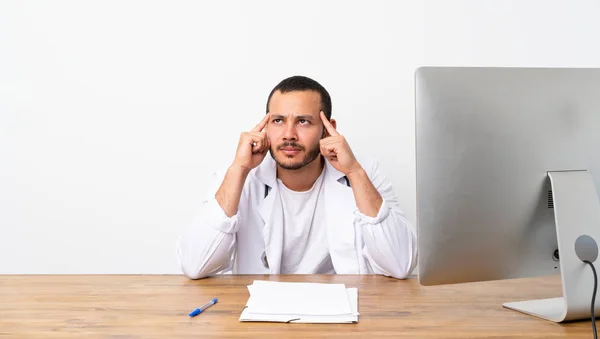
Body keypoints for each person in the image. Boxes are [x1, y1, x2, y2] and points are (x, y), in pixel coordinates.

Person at [177, 75, 417, 279]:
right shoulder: (238, 176)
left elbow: (400, 265)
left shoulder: (362, 173)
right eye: (278, 121)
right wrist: (239, 170)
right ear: (265, 126)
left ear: (327, 128)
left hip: (341, 314)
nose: (288, 135)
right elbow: (195, 265)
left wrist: (354, 172)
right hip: (262, 316)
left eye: (303, 121)